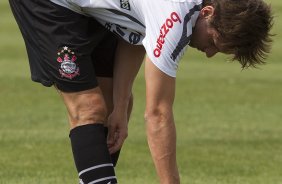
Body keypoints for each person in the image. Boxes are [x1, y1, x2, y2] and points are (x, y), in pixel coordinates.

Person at [9, 0, 273, 184]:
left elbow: (139, 30)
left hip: (92, 9)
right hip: (51, 4)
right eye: (213, 41)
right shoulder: (177, 17)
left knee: (112, 106)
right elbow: (158, 114)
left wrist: (121, 105)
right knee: (89, 109)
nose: (209, 53)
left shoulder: (183, 12)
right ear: (207, 12)